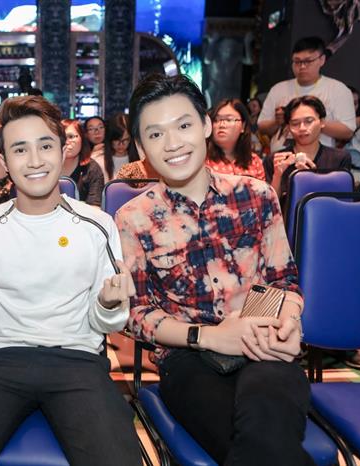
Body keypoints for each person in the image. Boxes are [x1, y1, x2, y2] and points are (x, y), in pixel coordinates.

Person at [0, 95, 142, 466]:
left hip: (78, 361)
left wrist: (108, 303)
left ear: (63, 149)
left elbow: (108, 323)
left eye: (45, 146)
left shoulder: (97, 224)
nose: (35, 160)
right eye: (20, 149)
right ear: (4, 160)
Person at [116, 73, 312, 466]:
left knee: (263, 429)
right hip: (187, 357)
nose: (172, 144)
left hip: (261, 341)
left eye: (183, 126)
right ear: (140, 147)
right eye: (155, 134)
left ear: (205, 124)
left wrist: (290, 325)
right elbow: (135, 315)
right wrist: (210, 337)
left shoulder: (256, 196)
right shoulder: (133, 218)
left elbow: (283, 280)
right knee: (259, 441)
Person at [258, 36, 355, 148]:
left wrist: (315, 123)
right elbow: (262, 127)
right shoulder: (278, 89)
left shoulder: (338, 89)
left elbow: (348, 131)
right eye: (297, 61)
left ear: (322, 60)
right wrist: (278, 121)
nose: (302, 66)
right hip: (281, 153)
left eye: (308, 61)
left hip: (319, 156)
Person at [264, 95, 351, 199]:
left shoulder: (339, 158)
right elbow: (270, 204)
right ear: (288, 127)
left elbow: (342, 200)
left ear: (322, 122)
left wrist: (310, 178)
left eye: (309, 121)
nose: (302, 128)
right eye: (295, 123)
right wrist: (277, 175)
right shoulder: (276, 160)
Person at [207, 98, 266, 180]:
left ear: (243, 126)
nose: (221, 125)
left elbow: (263, 188)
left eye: (228, 119)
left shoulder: (254, 161)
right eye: (216, 120)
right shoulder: (202, 160)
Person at [60, 118, 104, 206]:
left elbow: (94, 206)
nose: (67, 142)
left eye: (71, 137)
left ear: (82, 139)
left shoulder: (92, 169)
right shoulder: (48, 166)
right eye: (62, 138)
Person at [96, 113, 139, 182]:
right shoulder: (98, 161)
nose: (121, 144)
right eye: (117, 140)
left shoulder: (141, 159)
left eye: (125, 140)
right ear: (110, 138)